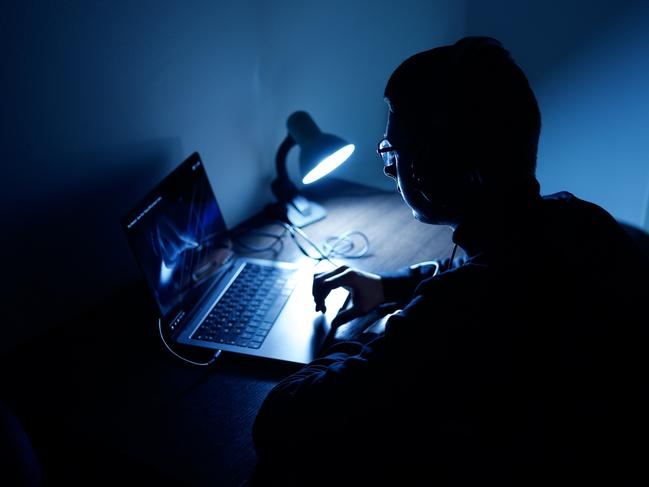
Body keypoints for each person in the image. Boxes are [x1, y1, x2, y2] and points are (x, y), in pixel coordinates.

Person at [250, 37, 649, 486]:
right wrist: (389, 287)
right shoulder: (579, 219)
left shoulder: (460, 309)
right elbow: (486, 267)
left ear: (431, 166)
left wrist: (351, 332)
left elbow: (281, 421)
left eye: (392, 151)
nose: (388, 169)